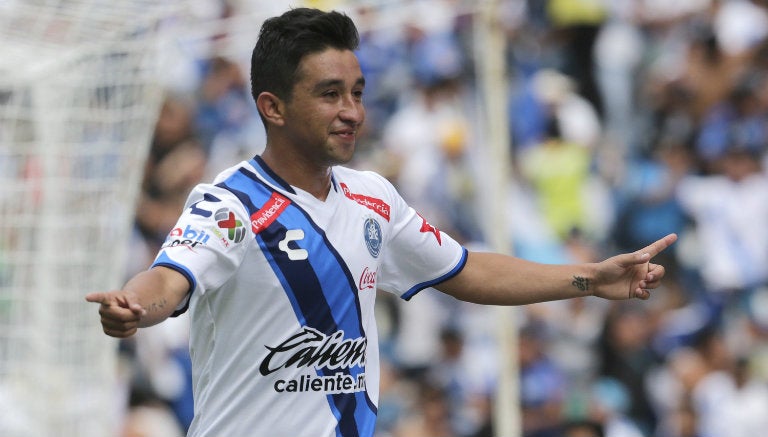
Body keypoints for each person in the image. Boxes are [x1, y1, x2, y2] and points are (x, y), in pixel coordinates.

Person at [85, 8, 677, 437]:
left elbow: (467, 272)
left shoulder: (374, 198)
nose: (352, 113)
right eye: (329, 94)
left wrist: (588, 279)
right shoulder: (230, 203)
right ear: (273, 106)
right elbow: (169, 278)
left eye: (358, 93)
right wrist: (134, 308)